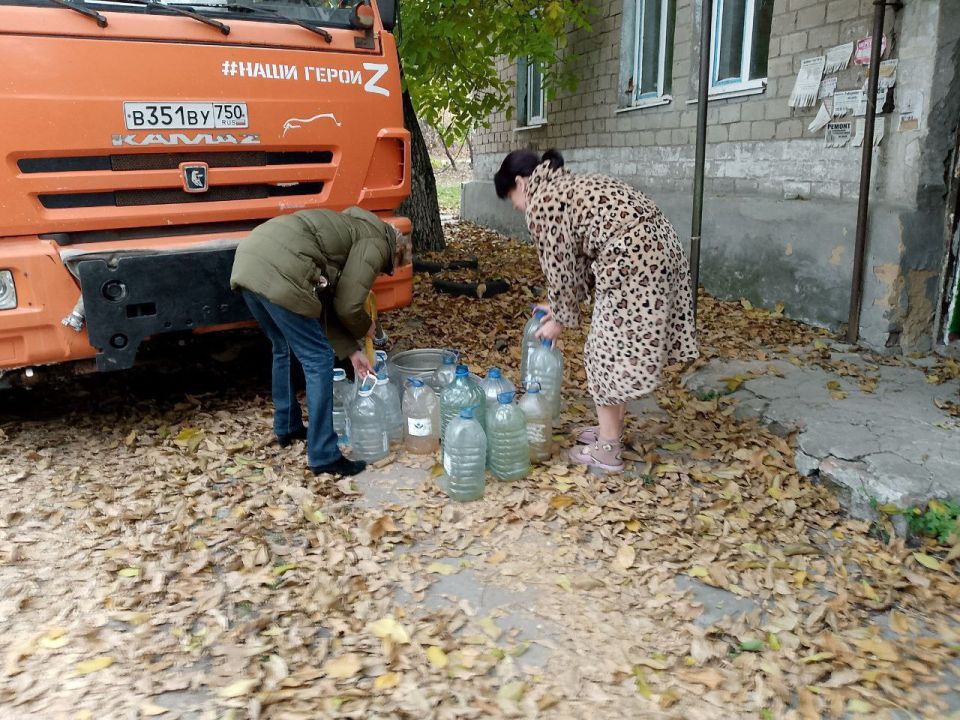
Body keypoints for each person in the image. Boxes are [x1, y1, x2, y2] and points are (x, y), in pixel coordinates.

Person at [494, 149, 699, 473]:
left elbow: (560, 268)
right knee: (620, 350)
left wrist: (559, 319)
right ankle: (610, 433)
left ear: (521, 182)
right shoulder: (566, 186)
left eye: (512, 198)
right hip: (658, 247)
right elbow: (578, 260)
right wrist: (559, 304)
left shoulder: (543, 201)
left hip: (633, 259)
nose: (517, 207)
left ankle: (607, 449)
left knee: (603, 352)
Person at [230, 206, 409, 477]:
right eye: (391, 269)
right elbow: (348, 306)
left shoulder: (353, 226)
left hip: (249, 261)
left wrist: (352, 351)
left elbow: (326, 301)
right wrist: (366, 326)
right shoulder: (376, 243)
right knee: (319, 360)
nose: (388, 274)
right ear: (395, 252)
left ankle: (287, 426)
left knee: (284, 347)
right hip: (282, 269)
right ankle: (324, 455)